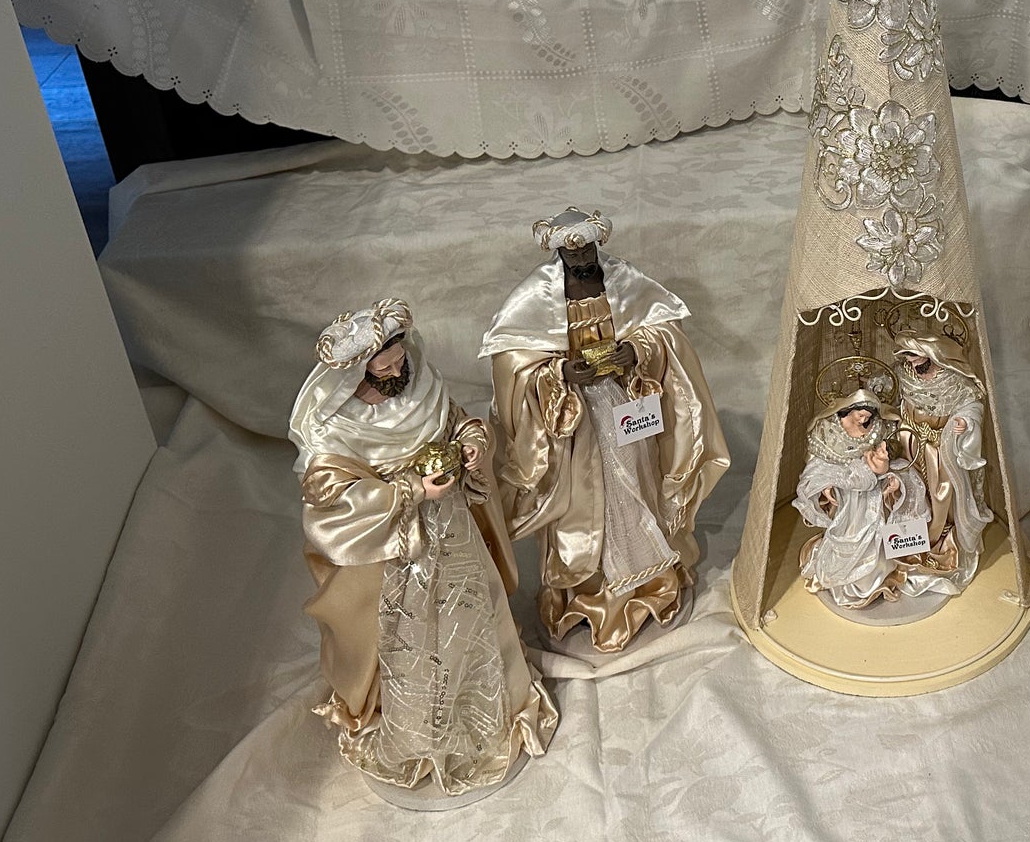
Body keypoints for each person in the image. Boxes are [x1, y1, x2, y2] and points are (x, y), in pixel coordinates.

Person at [290, 299, 556, 799]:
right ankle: (418, 730)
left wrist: (472, 444)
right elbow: (331, 497)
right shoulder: (336, 427)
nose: (397, 373)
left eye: (399, 362)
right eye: (384, 370)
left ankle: (484, 705)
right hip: (397, 550)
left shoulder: (420, 385)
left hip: (453, 528)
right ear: (356, 375)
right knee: (410, 633)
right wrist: (411, 490)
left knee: (471, 611)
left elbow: (457, 421)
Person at [483, 208, 730, 652]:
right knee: (584, 498)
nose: (581, 260)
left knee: (636, 482)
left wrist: (635, 351)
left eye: (587, 252)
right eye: (572, 255)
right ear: (560, 254)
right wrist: (559, 372)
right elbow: (513, 363)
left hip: (623, 402)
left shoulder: (623, 280)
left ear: (598, 245)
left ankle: (647, 580)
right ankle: (591, 593)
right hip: (573, 418)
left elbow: (664, 332)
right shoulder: (536, 294)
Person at [794, 384, 945, 609]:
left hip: (874, 499)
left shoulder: (878, 428)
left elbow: (893, 461)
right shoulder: (828, 430)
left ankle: (878, 575)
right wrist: (826, 484)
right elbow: (820, 463)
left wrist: (893, 478)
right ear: (848, 409)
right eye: (860, 414)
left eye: (869, 415)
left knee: (877, 540)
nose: (865, 419)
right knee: (848, 535)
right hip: (847, 500)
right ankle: (848, 579)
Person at [889, 326, 991, 594]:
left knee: (940, 493)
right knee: (910, 488)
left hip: (938, 447)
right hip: (908, 440)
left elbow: (973, 404)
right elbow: (898, 396)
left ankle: (937, 537)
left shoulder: (954, 380)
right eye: (907, 357)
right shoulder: (906, 374)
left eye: (915, 357)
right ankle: (908, 538)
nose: (911, 363)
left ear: (932, 354)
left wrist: (964, 422)